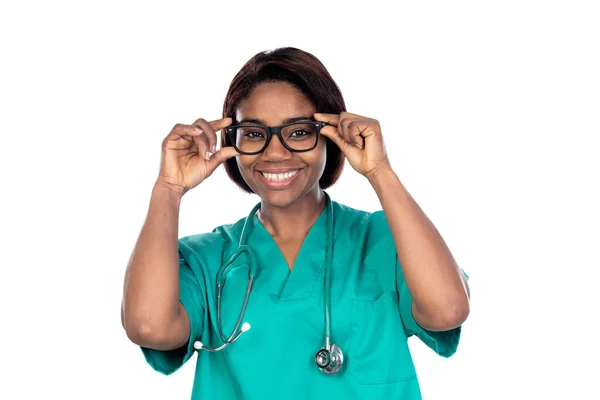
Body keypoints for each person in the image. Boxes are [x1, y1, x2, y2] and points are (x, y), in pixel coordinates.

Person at [121, 47, 470, 399]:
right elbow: (149, 326)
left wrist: (380, 171)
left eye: (299, 131)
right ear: (232, 142)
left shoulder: (384, 241)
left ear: (331, 135)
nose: (276, 152)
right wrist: (168, 189)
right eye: (255, 134)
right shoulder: (207, 260)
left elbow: (448, 311)